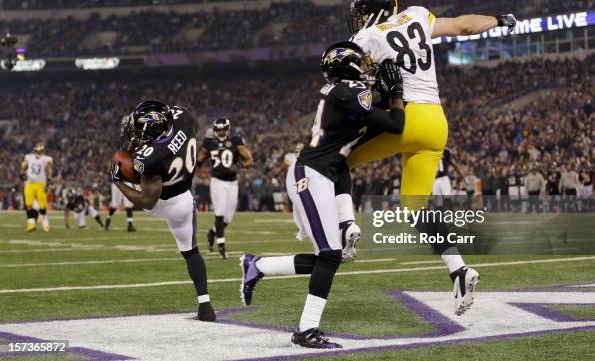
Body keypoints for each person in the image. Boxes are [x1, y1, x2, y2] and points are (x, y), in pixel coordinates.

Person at [240, 41, 404, 348]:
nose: (367, 68)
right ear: (348, 66)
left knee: (329, 255)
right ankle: (306, 330)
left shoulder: (346, 95)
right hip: (310, 176)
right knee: (330, 255)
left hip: (322, 175)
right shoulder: (346, 92)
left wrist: (347, 220)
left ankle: (257, 266)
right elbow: (396, 124)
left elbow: (348, 158)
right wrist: (395, 92)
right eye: (362, 63)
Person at [345, 0, 497, 315]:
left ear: (372, 12)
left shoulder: (366, 39)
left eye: (360, 15)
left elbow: (353, 90)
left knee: (337, 160)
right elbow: (463, 25)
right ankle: (458, 271)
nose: (357, 22)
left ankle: (344, 228)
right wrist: (499, 19)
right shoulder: (417, 16)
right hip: (436, 124)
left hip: (406, 118)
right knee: (415, 208)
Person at [111, 100, 215, 322]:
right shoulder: (184, 119)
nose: (136, 133)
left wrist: (118, 182)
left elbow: (146, 201)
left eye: (140, 130)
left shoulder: (150, 157)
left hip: (163, 203)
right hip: (186, 198)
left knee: (123, 165)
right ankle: (205, 305)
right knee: (190, 251)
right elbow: (184, 122)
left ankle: (125, 180)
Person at [197, 118, 254, 259]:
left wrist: (239, 165)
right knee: (220, 213)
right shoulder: (209, 143)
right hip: (217, 181)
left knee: (227, 219)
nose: (221, 132)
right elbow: (198, 161)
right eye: (218, 129)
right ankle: (221, 246)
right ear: (215, 130)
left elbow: (249, 160)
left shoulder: (235, 141)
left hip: (232, 183)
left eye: (223, 129)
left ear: (228, 129)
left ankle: (212, 232)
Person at [105, 114, 138, 232]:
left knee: (115, 203)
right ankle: (129, 225)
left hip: (117, 180)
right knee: (128, 202)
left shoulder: (122, 144)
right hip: (124, 179)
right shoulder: (128, 144)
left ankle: (108, 221)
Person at [21, 143, 53, 232]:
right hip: (30, 183)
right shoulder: (29, 157)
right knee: (29, 204)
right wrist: (22, 172)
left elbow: (49, 170)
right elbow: (23, 165)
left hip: (40, 184)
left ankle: (45, 222)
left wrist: (49, 180)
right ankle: (31, 224)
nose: (39, 153)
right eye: (38, 151)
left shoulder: (46, 159)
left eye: (41, 151)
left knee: (42, 205)